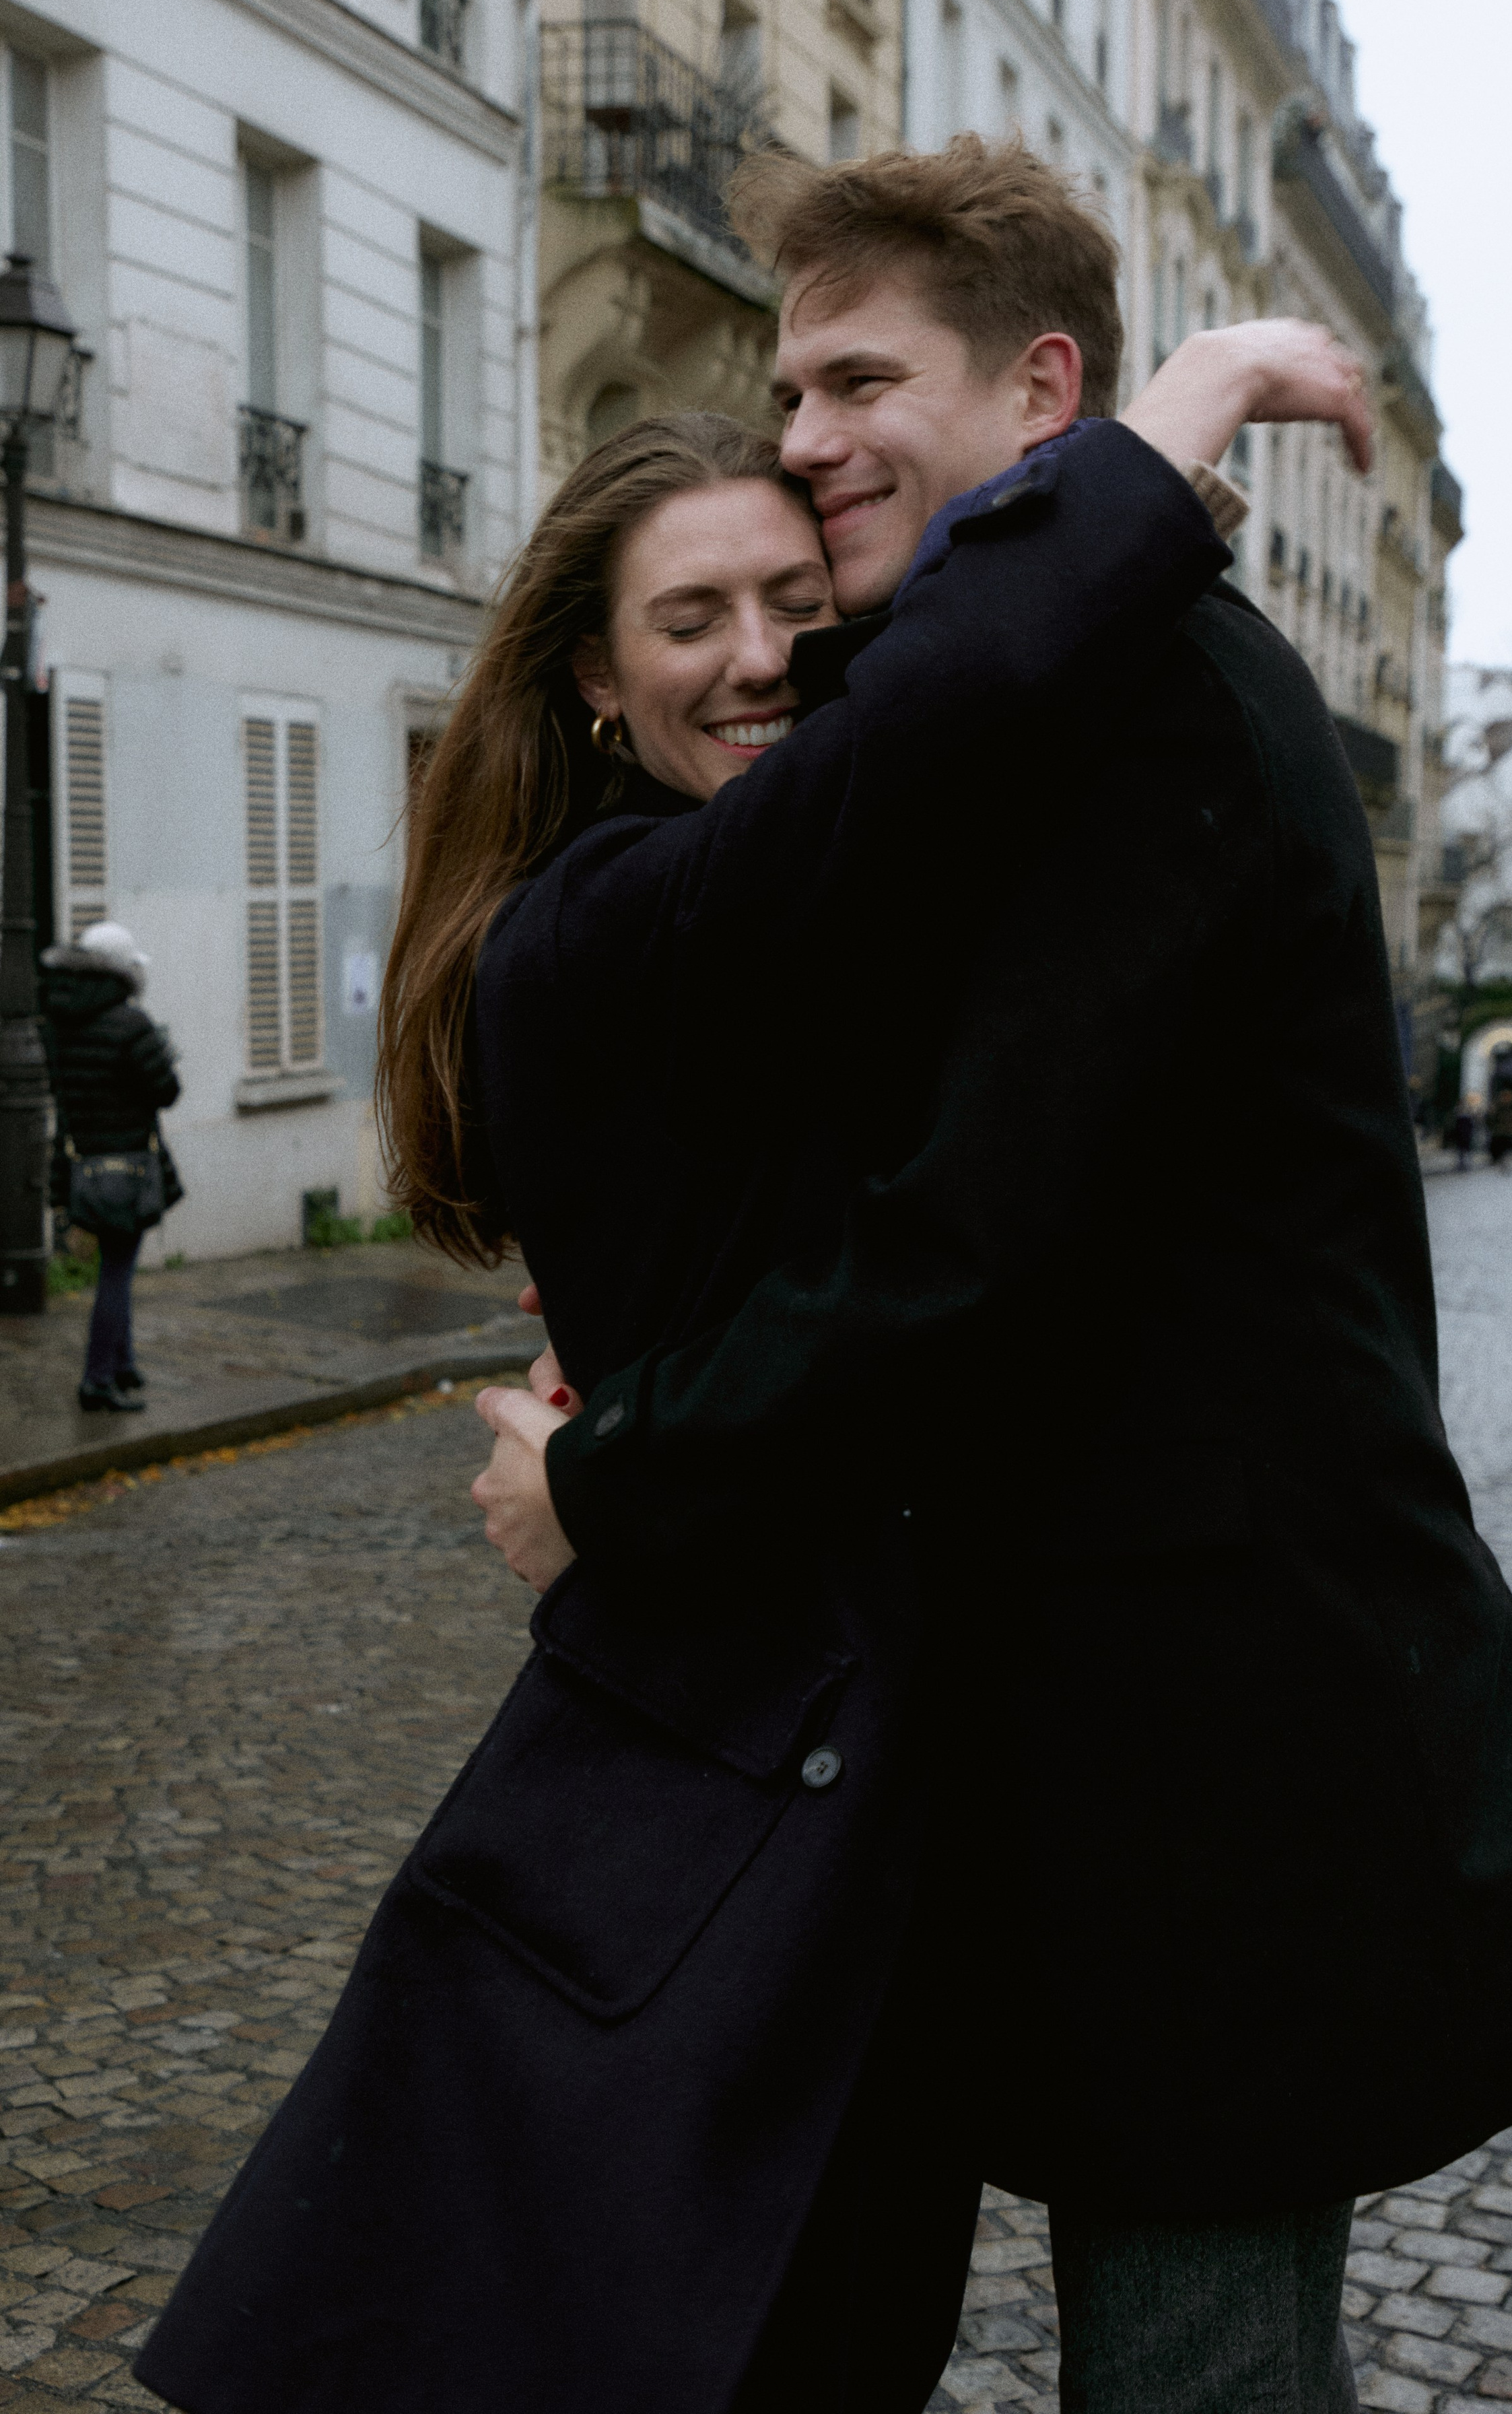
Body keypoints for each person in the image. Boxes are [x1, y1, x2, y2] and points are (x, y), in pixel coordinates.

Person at [468, 141, 1512, 2410]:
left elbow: (954, 1251)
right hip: (1109, 1747)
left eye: (861, 380)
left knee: (1197, 2374)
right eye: (790, 384)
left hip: (1223, 1757)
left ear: (1045, 398)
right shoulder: (1037, 695)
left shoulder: (1130, 703)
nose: (810, 435)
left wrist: (617, 1478)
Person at [134, 200, 1357, 2411]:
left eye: (796, 602)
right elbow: (946, 741)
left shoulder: (780, 910)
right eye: (689, 621)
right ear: (590, 683)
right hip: (711, 1795)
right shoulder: (614, 922)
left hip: (836, 1783)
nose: (769, 656)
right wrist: (1169, 431)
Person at [38, 922, 182, 1413]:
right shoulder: (130, 1024)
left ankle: (123, 1362)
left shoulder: (58, 1022)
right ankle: (98, 1378)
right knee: (117, 1272)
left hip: (81, 1163)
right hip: (127, 1167)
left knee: (113, 1265)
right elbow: (165, 1092)